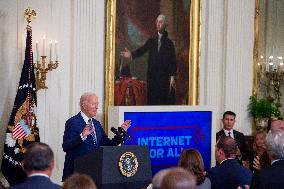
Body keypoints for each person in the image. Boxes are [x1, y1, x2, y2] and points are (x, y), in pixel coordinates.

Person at [62, 92, 131, 181]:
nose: (97, 107)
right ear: (84, 105)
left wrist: (121, 132)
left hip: (95, 173)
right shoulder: (72, 122)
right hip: (77, 174)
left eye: (97, 104)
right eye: (93, 104)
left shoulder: (96, 124)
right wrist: (82, 136)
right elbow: (66, 146)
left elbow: (108, 144)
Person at [120, 14, 177, 105]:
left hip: (164, 78)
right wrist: (131, 54)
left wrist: (172, 76)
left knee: (163, 101)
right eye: (157, 22)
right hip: (152, 77)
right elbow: (142, 50)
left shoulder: (169, 43)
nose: (158, 24)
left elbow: (173, 60)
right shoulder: (151, 41)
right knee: (152, 101)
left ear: (165, 24)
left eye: (161, 22)